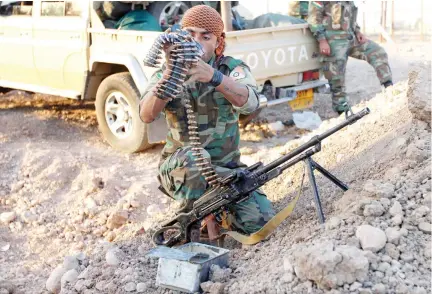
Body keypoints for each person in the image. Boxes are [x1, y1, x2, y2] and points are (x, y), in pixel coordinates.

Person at [139, 5, 275, 237]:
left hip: (223, 170)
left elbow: (251, 103)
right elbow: (146, 115)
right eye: (190, 34)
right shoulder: (168, 71)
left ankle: (219, 214)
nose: (196, 41)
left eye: (205, 36)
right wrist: (169, 79)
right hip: (182, 168)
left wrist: (214, 77)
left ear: (218, 41)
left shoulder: (230, 68)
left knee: (260, 222)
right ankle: (191, 226)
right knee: (195, 158)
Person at [307, 1, 393, 114]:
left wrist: (357, 31)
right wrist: (322, 40)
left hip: (350, 38)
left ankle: (389, 87)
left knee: (377, 52)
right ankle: (342, 110)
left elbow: (349, 16)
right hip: (333, 40)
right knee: (336, 76)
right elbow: (313, 19)